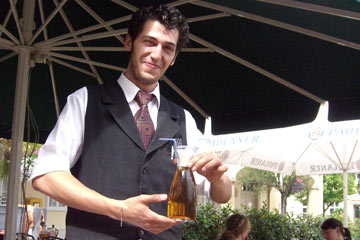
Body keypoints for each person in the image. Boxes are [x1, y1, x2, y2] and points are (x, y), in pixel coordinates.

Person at [30, 4, 232, 240]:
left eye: (168, 48)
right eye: (149, 42)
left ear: (174, 58)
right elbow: (46, 175)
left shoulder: (183, 119)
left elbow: (222, 195)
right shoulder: (85, 101)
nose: (157, 55)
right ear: (129, 42)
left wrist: (218, 178)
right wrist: (119, 210)